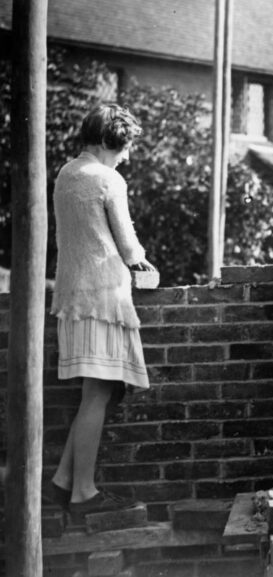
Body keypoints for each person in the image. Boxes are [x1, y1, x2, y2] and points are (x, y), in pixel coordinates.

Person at [49, 103, 156, 521]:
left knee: (95, 393)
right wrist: (143, 262)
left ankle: (61, 481)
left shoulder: (64, 173)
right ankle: (84, 492)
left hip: (72, 294)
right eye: (125, 145)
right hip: (104, 295)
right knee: (99, 393)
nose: (127, 155)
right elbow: (128, 246)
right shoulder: (108, 178)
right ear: (112, 140)